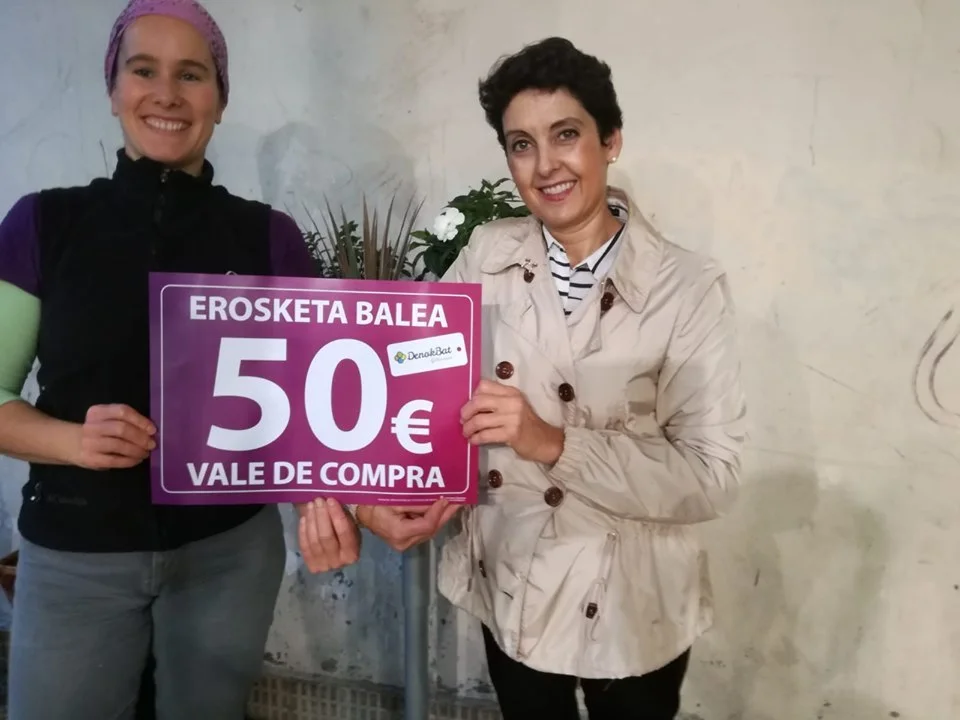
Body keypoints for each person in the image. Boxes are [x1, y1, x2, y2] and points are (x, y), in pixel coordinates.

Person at [366, 37, 747, 719]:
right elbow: (417, 382)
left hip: (633, 611)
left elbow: (710, 474)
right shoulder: (486, 254)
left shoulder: (688, 288)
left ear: (611, 140)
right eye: (522, 144)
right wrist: (396, 490)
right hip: (515, 589)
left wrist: (553, 442)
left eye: (566, 135)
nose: (545, 165)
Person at [0, 1, 359, 718]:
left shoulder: (270, 238)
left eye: (192, 75)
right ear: (113, 90)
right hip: (75, 553)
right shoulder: (43, 222)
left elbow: (312, 412)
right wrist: (72, 442)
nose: (166, 94)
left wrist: (329, 498)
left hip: (228, 554)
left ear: (220, 100)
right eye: (144, 71)